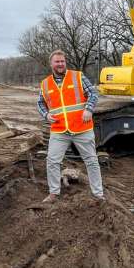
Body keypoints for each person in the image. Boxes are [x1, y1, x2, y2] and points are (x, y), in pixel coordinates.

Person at [37, 49, 104, 202]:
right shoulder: (46, 83)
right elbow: (40, 103)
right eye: (57, 62)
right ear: (51, 64)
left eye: (62, 61)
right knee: (52, 161)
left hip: (82, 128)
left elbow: (93, 94)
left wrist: (88, 109)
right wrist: (46, 115)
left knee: (92, 161)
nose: (60, 64)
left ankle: (98, 194)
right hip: (59, 130)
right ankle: (54, 193)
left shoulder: (77, 76)